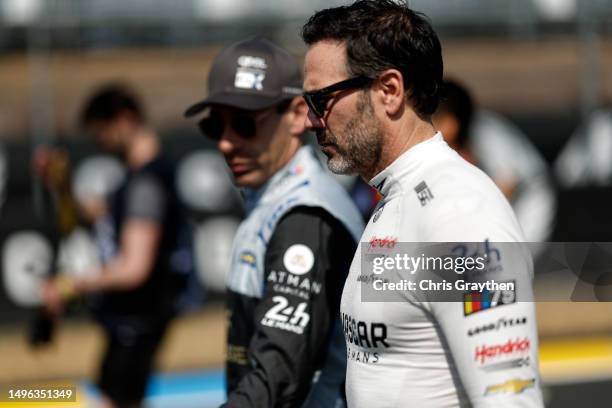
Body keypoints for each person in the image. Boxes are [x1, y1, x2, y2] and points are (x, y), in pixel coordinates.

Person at [301, 1, 543, 407]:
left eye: (321, 100)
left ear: (389, 91)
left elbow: (511, 400)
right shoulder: (400, 194)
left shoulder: (458, 211)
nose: (312, 120)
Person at [184, 37, 364, 407]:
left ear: (298, 115)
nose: (226, 143)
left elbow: (278, 375)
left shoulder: (304, 217)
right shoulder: (274, 200)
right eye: (216, 125)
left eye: (245, 124)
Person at [39, 84, 191, 408]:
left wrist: (69, 287)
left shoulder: (146, 183)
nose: (100, 143)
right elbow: (100, 220)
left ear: (124, 120)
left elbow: (133, 268)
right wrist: (62, 186)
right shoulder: (138, 178)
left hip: (138, 321)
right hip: (131, 321)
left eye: (102, 132)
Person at [434, 79, 556, 243]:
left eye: (436, 120)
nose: (432, 128)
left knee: (513, 260)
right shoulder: (469, 132)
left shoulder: (484, 130)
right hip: (515, 200)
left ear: (451, 121)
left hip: (531, 197)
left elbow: (508, 182)